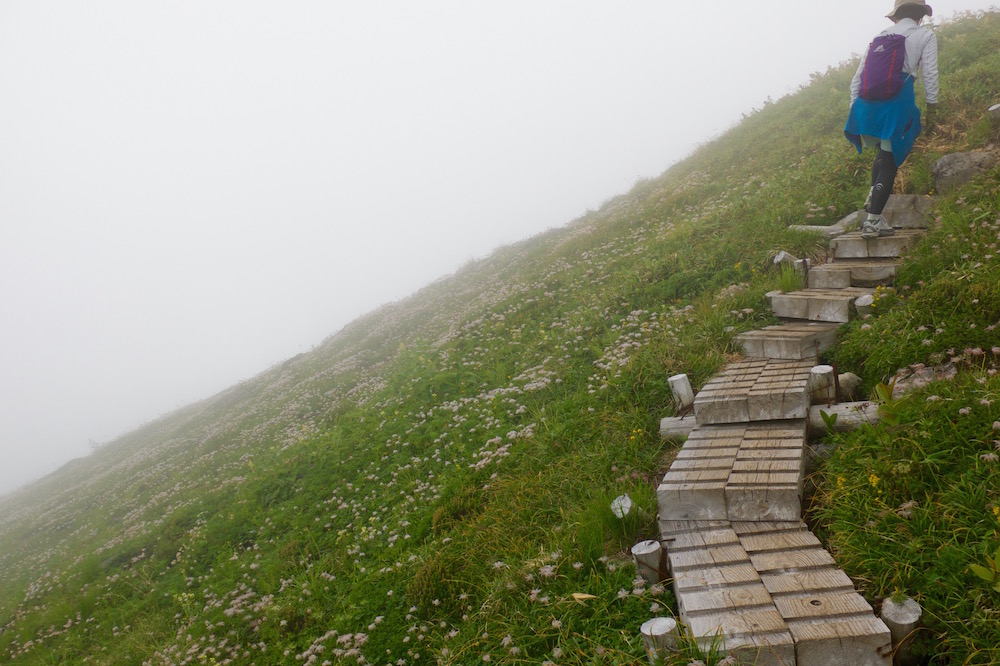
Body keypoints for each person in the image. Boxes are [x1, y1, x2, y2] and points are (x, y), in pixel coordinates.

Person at [845, 0, 939, 238]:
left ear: (896, 15)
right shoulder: (925, 36)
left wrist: (855, 107)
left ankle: (873, 195)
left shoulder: (880, 36)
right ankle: (872, 222)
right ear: (920, 16)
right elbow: (930, 74)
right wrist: (933, 108)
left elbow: (858, 76)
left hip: (866, 106)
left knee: (882, 152)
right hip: (895, 105)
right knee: (889, 161)